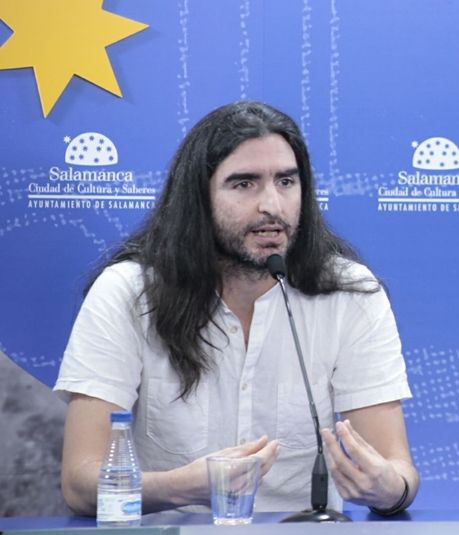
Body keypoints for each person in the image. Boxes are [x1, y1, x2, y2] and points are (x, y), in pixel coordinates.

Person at [55, 101, 418, 515]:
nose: (273, 206)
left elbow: (398, 470)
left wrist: (388, 489)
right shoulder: (128, 292)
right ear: (199, 197)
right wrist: (185, 487)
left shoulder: (350, 293)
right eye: (245, 184)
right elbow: (80, 483)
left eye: (286, 181)